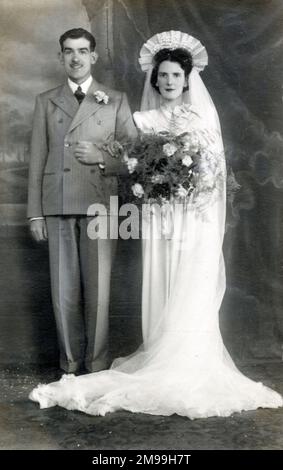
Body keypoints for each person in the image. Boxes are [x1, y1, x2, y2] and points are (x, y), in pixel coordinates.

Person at [29, 31, 283, 418]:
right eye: (161, 76)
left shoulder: (202, 117)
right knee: (160, 282)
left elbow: (212, 173)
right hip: (158, 215)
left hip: (193, 216)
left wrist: (194, 202)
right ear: (154, 79)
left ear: (186, 80)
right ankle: (151, 357)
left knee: (189, 287)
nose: (167, 82)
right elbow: (131, 161)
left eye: (175, 76)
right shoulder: (142, 119)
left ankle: (188, 363)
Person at [27, 28, 137, 374]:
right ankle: (71, 365)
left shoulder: (115, 98)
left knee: (99, 292)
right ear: (60, 56)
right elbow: (36, 159)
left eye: (82, 51)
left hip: (100, 204)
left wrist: (102, 159)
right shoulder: (46, 100)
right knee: (64, 292)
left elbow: (134, 157)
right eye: (68, 51)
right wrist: (35, 215)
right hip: (57, 203)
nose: (75, 58)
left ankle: (98, 365)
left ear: (94, 57)